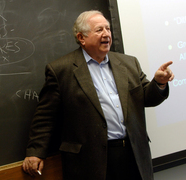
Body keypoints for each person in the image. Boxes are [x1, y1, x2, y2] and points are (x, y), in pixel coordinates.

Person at [22, 10, 174, 180]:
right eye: (99, 30)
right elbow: (45, 116)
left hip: (133, 153)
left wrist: (159, 83)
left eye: (108, 29)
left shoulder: (129, 63)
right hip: (90, 160)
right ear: (81, 38)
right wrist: (35, 152)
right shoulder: (61, 70)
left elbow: (147, 97)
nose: (106, 34)